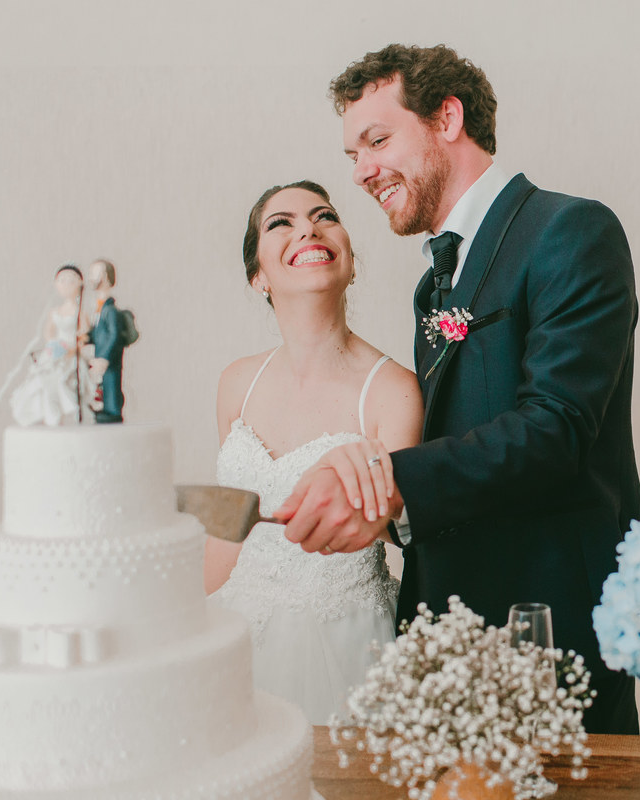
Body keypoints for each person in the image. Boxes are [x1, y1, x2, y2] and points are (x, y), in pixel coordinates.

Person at [275, 45, 640, 734]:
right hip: (455, 632)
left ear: (448, 118)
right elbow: (462, 439)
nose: (361, 172)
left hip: (552, 625)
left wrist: (392, 481)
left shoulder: (569, 230)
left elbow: (555, 426)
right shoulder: (434, 283)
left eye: (377, 141)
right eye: (353, 154)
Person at [206, 180, 423, 724]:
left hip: (350, 649)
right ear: (259, 275)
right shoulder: (236, 384)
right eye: (281, 222)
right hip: (237, 640)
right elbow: (228, 537)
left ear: (348, 258)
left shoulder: (393, 391)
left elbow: (396, 530)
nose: (308, 227)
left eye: (324, 215)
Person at [3, 264, 90, 426]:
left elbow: (84, 336)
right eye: (61, 281)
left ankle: (64, 414)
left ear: (79, 284)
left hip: (70, 354)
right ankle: (51, 415)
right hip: (55, 351)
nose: (65, 285)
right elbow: (49, 331)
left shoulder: (80, 313)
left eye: (70, 281)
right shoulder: (54, 311)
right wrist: (53, 344)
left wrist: (72, 349)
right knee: (43, 380)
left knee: (62, 382)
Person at [86, 259, 127, 423]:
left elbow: (114, 335)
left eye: (95, 273)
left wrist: (105, 357)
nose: (91, 278)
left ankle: (113, 411)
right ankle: (107, 408)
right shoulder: (99, 308)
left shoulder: (110, 310)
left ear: (105, 277)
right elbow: (97, 333)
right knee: (104, 384)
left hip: (110, 358)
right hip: (100, 356)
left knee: (112, 383)